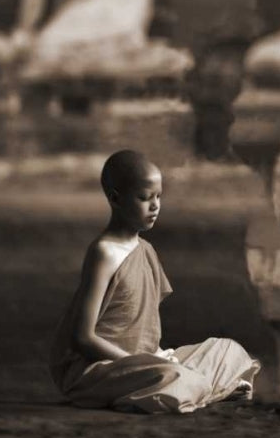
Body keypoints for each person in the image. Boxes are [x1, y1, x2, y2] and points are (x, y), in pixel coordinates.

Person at [49, 150, 259, 413]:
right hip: (101, 368)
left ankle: (193, 389)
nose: (155, 206)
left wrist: (159, 357)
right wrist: (140, 363)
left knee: (229, 350)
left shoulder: (145, 250)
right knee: (175, 377)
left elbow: (143, 330)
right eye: (145, 198)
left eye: (158, 196)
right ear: (115, 198)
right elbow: (82, 338)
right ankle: (204, 389)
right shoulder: (104, 252)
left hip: (147, 364)